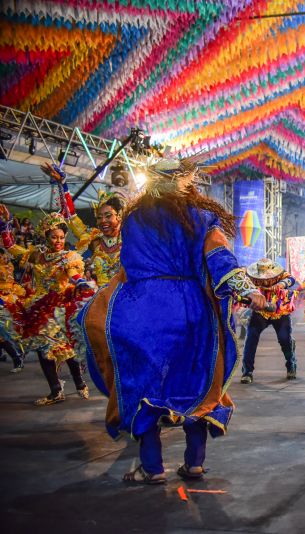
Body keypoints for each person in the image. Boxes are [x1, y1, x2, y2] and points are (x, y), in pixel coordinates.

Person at [74, 157, 268, 484]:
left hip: (142, 310)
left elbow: (128, 268)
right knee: (197, 381)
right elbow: (219, 258)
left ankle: (152, 468)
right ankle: (194, 463)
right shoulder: (202, 217)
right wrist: (246, 288)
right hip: (192, 310)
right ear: (185, 181)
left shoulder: (134, 219)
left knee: (144, 386)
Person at [0, 207, 93, 405]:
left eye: (61, 237)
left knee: (66, 348)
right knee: (44, 347)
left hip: (61, 308)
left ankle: (79, 383)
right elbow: (12, 248)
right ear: (45, 237)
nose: (58, 241)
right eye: (53, 237)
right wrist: (4, 225)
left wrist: (80, 282)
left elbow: (73, 274)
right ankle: (56, 390)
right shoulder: (38, 255)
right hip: (40, 307)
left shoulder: (68, 257)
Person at [41, 164, 125, 287]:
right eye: (99, 217)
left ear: (119, 215)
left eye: (108, 216)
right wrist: (63, 185)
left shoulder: (130, 239)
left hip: (128, 297)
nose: (103, 221)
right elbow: (71, 217)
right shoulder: (94, 239)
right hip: (102, 297)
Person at [240, 258, 297, 383]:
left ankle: (291, 364)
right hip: (261, 310)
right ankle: (247, 371)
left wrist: (280, 285)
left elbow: (291, 279)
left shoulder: (280, 273)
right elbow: (243, 284)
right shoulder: (251, 275)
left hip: (280, 310)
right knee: (251, 337)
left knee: (284, 338)